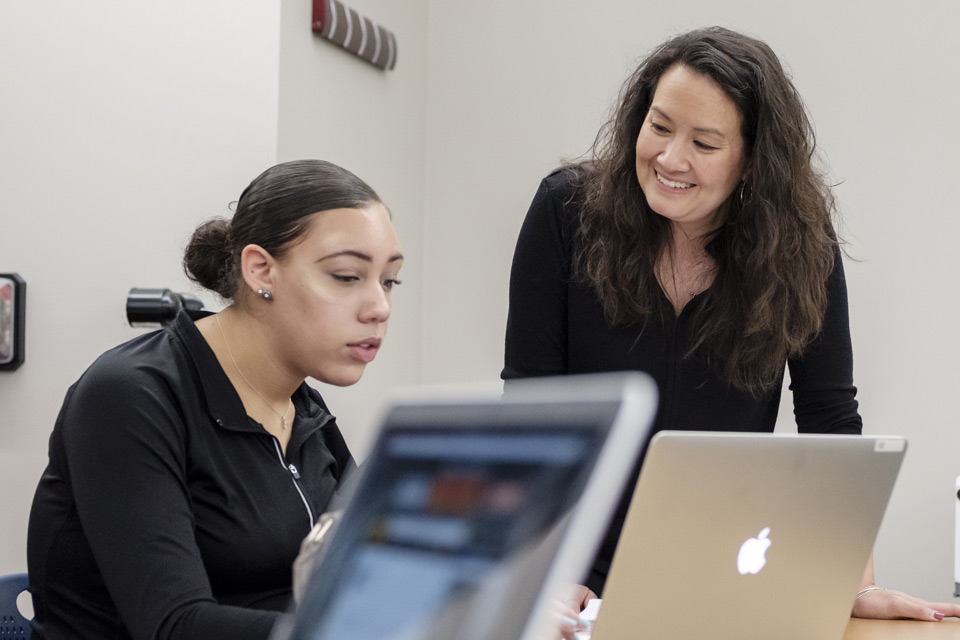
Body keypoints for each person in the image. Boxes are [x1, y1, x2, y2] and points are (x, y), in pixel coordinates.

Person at [502, 26, 960, 628]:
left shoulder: (800, 248)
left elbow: (829, 419)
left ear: (751, 162)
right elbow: (530, 411)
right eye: (659, 126)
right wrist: (546, 571)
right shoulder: (567, 213)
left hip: (724, 578)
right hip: (574, 580)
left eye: (705, 143)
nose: (669, 158)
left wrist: (851, 575)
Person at [27, 159, 404, 639]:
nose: (379, 308)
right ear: (261, 270)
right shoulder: (130, 396)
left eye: (389, 280)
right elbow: (173, 627)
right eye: (348, 276)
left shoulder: (303, 410)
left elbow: (359, 572)